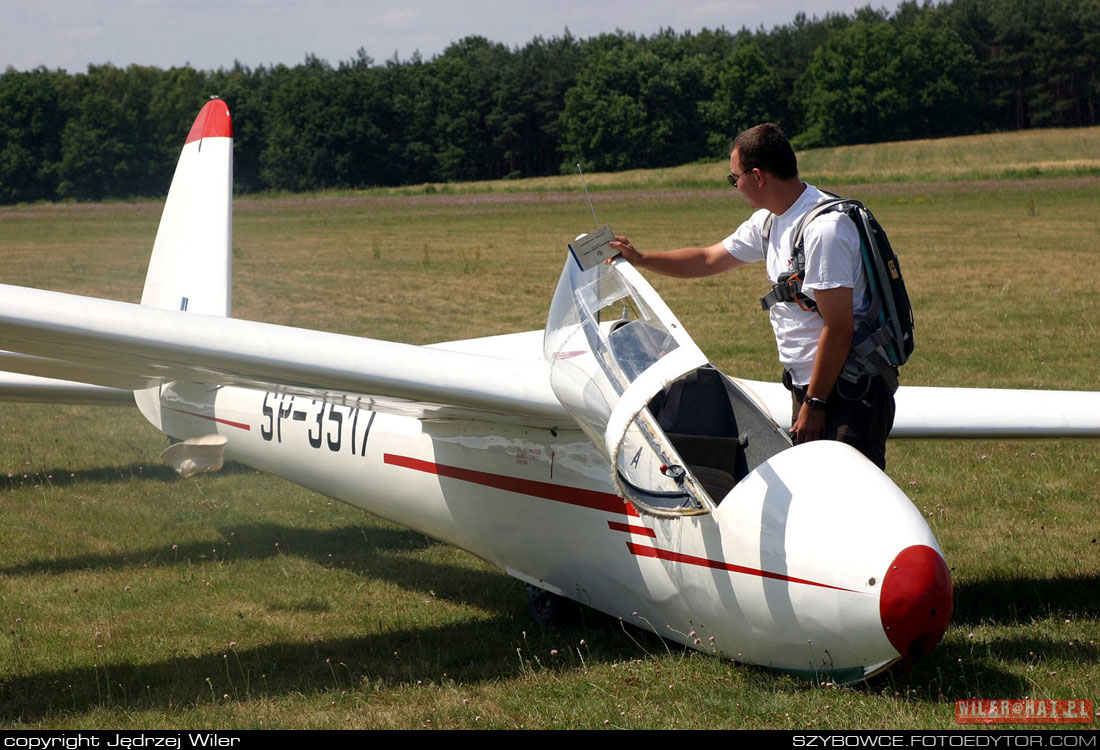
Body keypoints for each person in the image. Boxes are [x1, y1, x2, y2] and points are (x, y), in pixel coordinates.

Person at [609, 123, 895, 469]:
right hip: (812, 385)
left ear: (758, 176)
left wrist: (816, 403)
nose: (735, 186)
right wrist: (641, 258)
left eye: (735, 178)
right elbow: (707, 258)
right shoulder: (771, 222)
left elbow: (839, 327)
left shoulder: (824, 230)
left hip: (848, 388)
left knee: (845, 499)